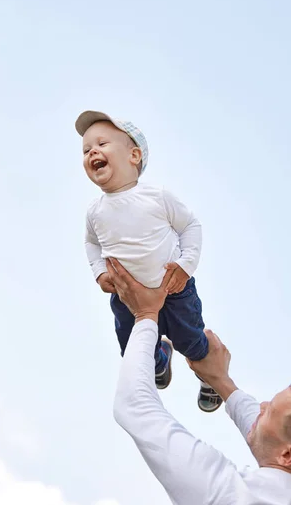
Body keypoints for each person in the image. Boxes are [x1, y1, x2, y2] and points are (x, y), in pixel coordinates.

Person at [107, 257, 291, 505]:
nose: (261, 406)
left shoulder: (226, 495)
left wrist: (146, 314)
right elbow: (279, 439)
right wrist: (223, 383)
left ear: (287, 455)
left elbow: (133, 406)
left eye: (270, 411)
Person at [75, 110, 221, 411]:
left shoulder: (157, 196)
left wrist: (185, 265)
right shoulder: (95, 211)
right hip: (127, 297)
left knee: (190, 340)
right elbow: (91, 243)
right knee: (134, 347)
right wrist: (99, 272)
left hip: (174, 289)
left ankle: (209, 375)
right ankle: (159, 363)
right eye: (87, 150)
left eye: (102, 144)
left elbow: (190, 226)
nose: (93, 152)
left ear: (134, 154)